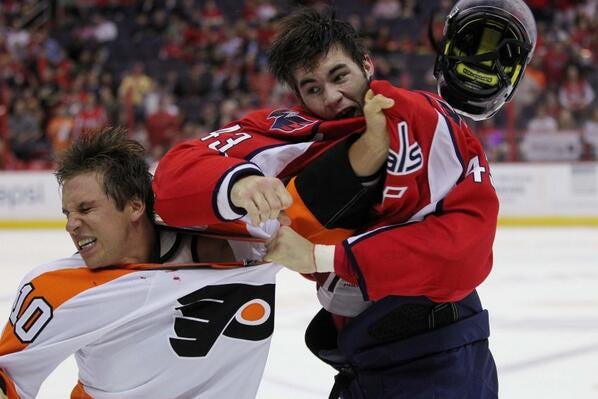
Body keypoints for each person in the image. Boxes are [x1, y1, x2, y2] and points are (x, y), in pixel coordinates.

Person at [152, 2, 536, 398]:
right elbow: (173, 174)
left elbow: (465, 253)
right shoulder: (290, 130)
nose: (332, 97)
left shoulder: (427, 119)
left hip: (439, 358)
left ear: (366, 65)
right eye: (313, 89)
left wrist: (324, 258)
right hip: (363, 355)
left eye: (340, 76)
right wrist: (238, 184)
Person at [0, 127, 281, 399]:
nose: (71, 225)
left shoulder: (245, 243)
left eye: (85, 209)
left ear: (135, 206)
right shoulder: (57, 289)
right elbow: (8, 377)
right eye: (67, 213)